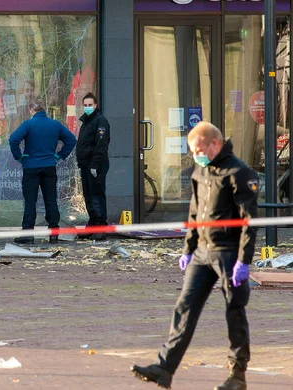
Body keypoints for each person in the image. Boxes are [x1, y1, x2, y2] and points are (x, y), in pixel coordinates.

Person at [131, 122, 259, 390]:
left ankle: (237, 376)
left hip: (227, 253)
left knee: (234, 311)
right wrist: (188, 250)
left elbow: (249, 221)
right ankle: (164, 369)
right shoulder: (200, 170)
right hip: (202, 252)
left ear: (215, 144)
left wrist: (243, 261)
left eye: (199, 149)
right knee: (184, 307)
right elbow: (194, 213)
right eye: (192, 151)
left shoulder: (239, 172)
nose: (196, 155)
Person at [9, 99, 76, 244]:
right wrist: (60, 156)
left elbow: (13, 139)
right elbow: (71, 140)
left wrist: (19, 157)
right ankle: (53, 232)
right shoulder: (55, 125)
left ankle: (28, 233)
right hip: (49, 166)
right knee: (50, 199)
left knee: (30, 201)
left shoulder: (29, 124)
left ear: (32, 110)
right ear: (43, 110)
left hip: (31, 167)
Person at [75, 93, 110, 240]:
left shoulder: (100, 121)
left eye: (90, 105)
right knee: (88, 196)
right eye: (85, 105)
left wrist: (95, 164)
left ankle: (101, 226)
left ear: (95, 105)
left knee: (96, 195)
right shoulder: (86, 122)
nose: (87, 107)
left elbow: (101, 145)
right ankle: (93, 223)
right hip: (86, 165)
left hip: (96, 165)